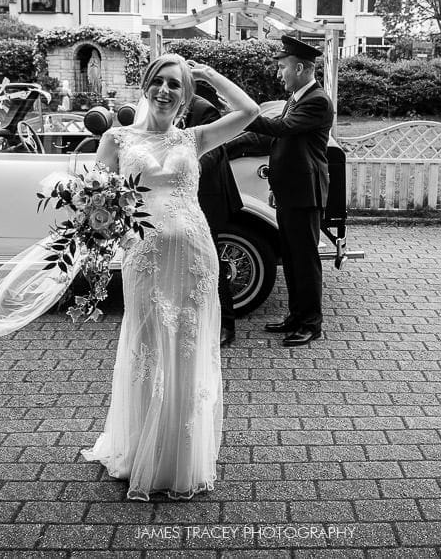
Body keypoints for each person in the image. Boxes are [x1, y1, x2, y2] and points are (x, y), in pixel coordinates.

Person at [81, 54, 260, 500]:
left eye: (175, 85)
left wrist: (209, 74)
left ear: (186, 96)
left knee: (186, 350)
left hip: (196, 258)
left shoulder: (195, 138)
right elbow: (94, 203)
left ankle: (179, 456)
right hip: (144, 258)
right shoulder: (116, 139)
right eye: (158, 82)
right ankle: (143, 450)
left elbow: (250, 111)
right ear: (144, 86)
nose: (165, 90)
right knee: (147, 348)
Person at [245, 36, 334, 347]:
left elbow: (280, 130)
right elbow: (283, 146)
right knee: (293, 260)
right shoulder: (296, 98)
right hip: (289, 191)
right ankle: (296, 316)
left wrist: (243, 115)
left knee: (305, 260)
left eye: (282, 67)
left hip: (305, 194)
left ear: (299, 67)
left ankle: (311, 324)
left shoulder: (317, 101)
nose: (279, 73)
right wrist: (275, 186)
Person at [177, 81, 242, 347]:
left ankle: (227, 325)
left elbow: (215, 148)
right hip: (178, 200)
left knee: (209, 261)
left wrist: (189, 168)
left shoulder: (204, 109)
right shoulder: (166, 111)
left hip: (207, 199)